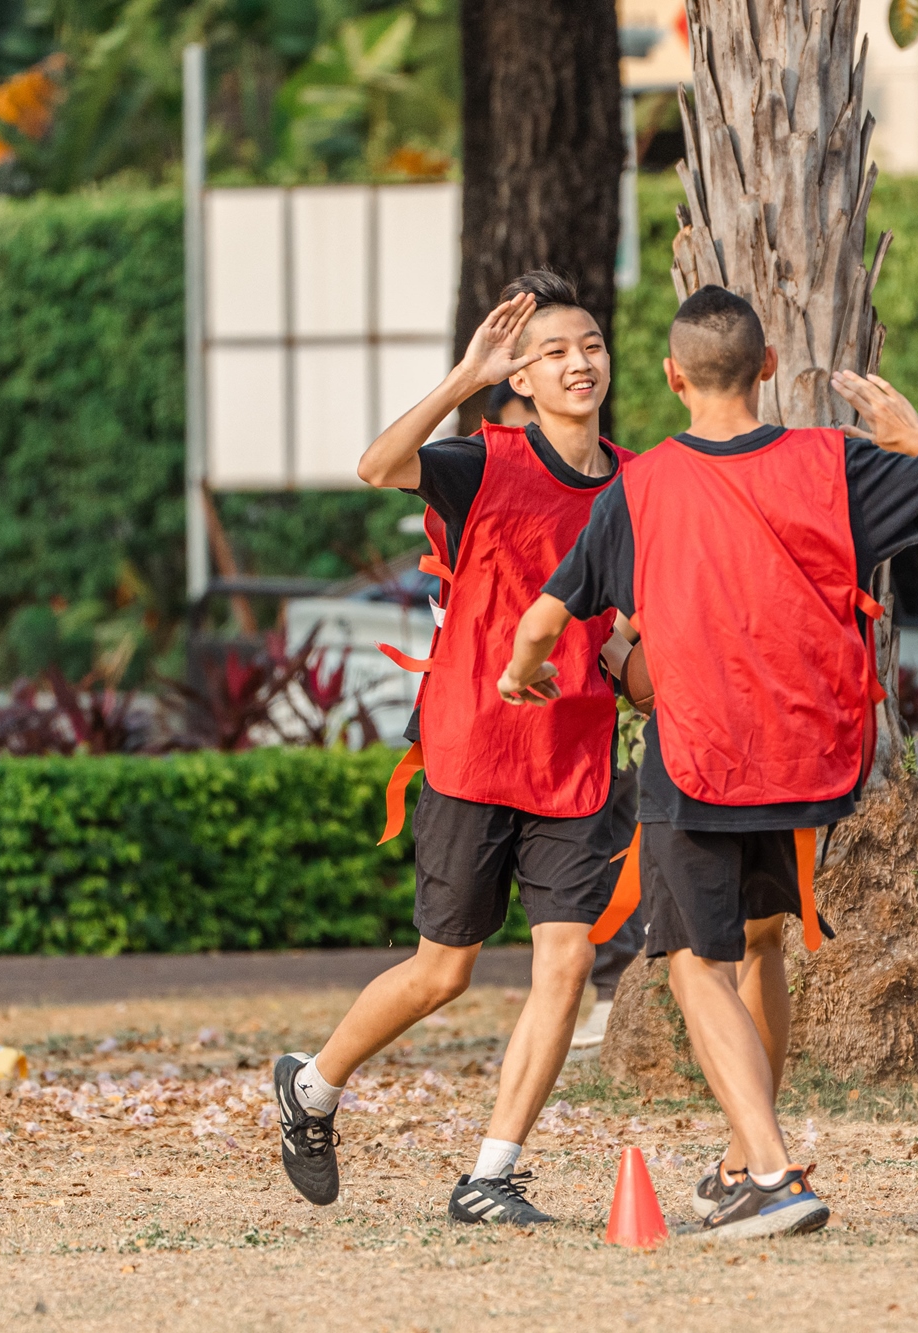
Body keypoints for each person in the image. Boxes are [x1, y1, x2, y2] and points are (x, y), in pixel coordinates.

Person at [495, 285, 918, 1239]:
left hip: (698, 760)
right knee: (762, 941)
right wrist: (909, 432)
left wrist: (522, 674)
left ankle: (771, 1173)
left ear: (671, 377)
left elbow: (544, 619)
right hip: (803, 759)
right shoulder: (834, 460)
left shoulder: (640, 487)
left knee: (696, 966)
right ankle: (740, 1156)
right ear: (768, 367)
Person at [272, 271, 633, 1226]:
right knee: (444, 970)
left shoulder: (640, 483)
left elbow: (637, 630)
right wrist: (464, 377)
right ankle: (312, 1085)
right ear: (523, 376)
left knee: (566, 964)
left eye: (591, 344)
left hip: (576, 760)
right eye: (554, 351)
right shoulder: (483, 462)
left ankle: (490, 1176)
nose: (579, 363)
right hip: (473, 745)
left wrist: (636, 660)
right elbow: (377, 465)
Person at [480, 369, 644, 1053]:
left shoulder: (618, 483)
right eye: (518, 425)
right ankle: (583, 987)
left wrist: (620, 644)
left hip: (598, 709)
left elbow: (636, 587)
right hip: (513, 713)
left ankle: (609, 986)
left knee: (610, 844)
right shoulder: (495, 488)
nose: (531, 438)